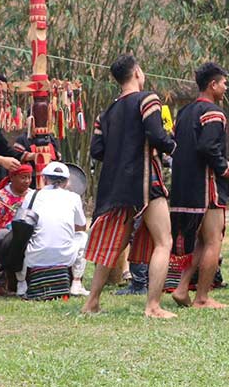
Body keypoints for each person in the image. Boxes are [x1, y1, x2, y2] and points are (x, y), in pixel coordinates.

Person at [81, 54, 178, 319]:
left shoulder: (106, 113)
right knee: (163, 241)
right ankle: (153, 306)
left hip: (115, 184)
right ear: (136, 72)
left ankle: (92, 302)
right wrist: (174, 148)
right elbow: (156, 134)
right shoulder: (147, 99)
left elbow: (97, 150)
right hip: (145, 180)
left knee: (115, 243)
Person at [169, 62, 229, 309]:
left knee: (201, 242)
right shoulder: (213, 113)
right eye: (223, 83)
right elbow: (207, 147)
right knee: (213, 241)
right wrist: (225, 168)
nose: (225, 87)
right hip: (206, 187)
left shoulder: (185, 112)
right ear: (213, 85)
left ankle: (181, 289)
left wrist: (222, 158)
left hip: (184, 186)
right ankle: (202, 297)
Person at [21, 162, 89, 300]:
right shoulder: (74, 197)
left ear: (44, 179)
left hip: (34, 256)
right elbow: (81, 226)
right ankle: (76, 282)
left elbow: (23, 224)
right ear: (67, 181)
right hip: (65, 257)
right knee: (82, 236)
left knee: (22, 237)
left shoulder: (31, 196)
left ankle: (21, 283)